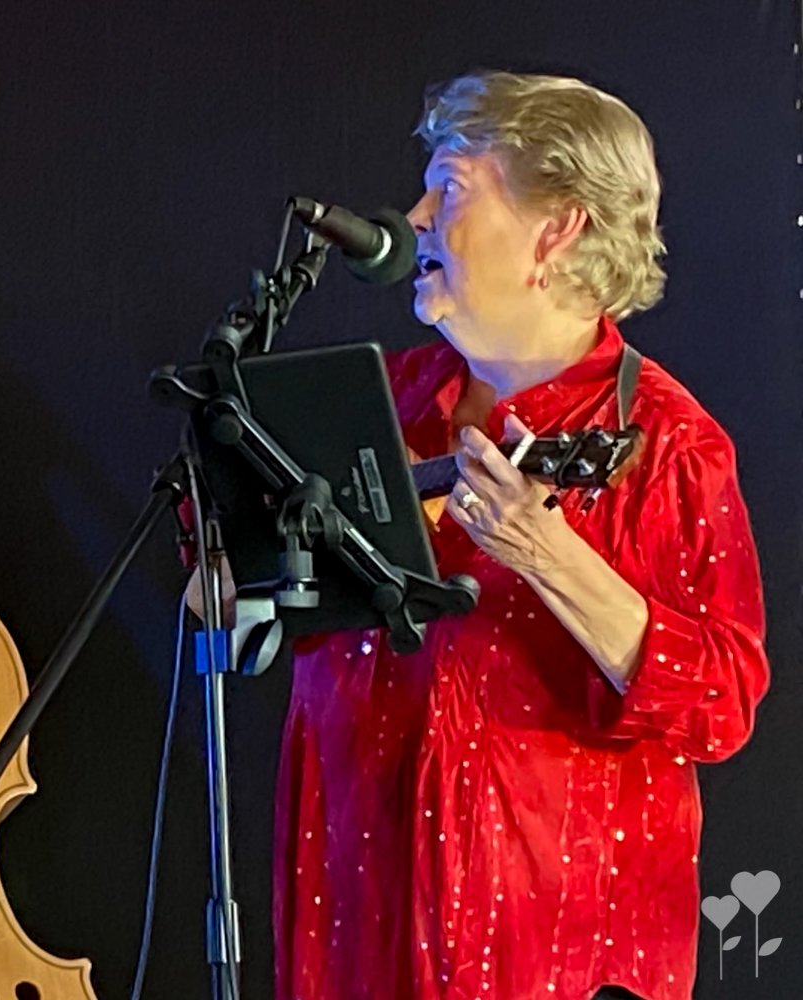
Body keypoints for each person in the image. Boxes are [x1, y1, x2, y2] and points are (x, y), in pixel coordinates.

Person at [271, 72, 770, 1000]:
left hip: (549, 951)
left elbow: (721, 701)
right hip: (356, 926)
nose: (415, 216)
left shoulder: (668, 444)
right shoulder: (386, 398)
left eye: (452, 187)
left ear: (559, 229)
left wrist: (551, 556)